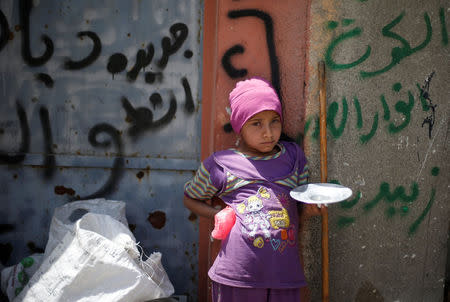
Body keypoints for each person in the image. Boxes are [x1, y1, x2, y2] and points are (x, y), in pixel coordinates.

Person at [183, 77, 319, 302]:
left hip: (284, 275)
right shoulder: (221, 164)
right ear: (239, 126)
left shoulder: (294, 158)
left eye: (274, 121)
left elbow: (299, 207)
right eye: (256, 123)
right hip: (238, 275)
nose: (268, 132)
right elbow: (190, 198)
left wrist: (312, 210)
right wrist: (218, 214)